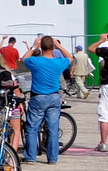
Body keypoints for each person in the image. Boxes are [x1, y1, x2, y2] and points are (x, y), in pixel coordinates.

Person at [23, 36, 72, 164]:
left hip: (38, 97)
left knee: (32, 128)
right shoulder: (58, 62)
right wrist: (59, 46)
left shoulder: (35, 61)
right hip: (54, 97)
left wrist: (34, 46)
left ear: (41, 47)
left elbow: (24, 59)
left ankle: (31, 157)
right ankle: (52, 158)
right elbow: (70, 58)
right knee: (53, 128)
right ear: (53, 47)